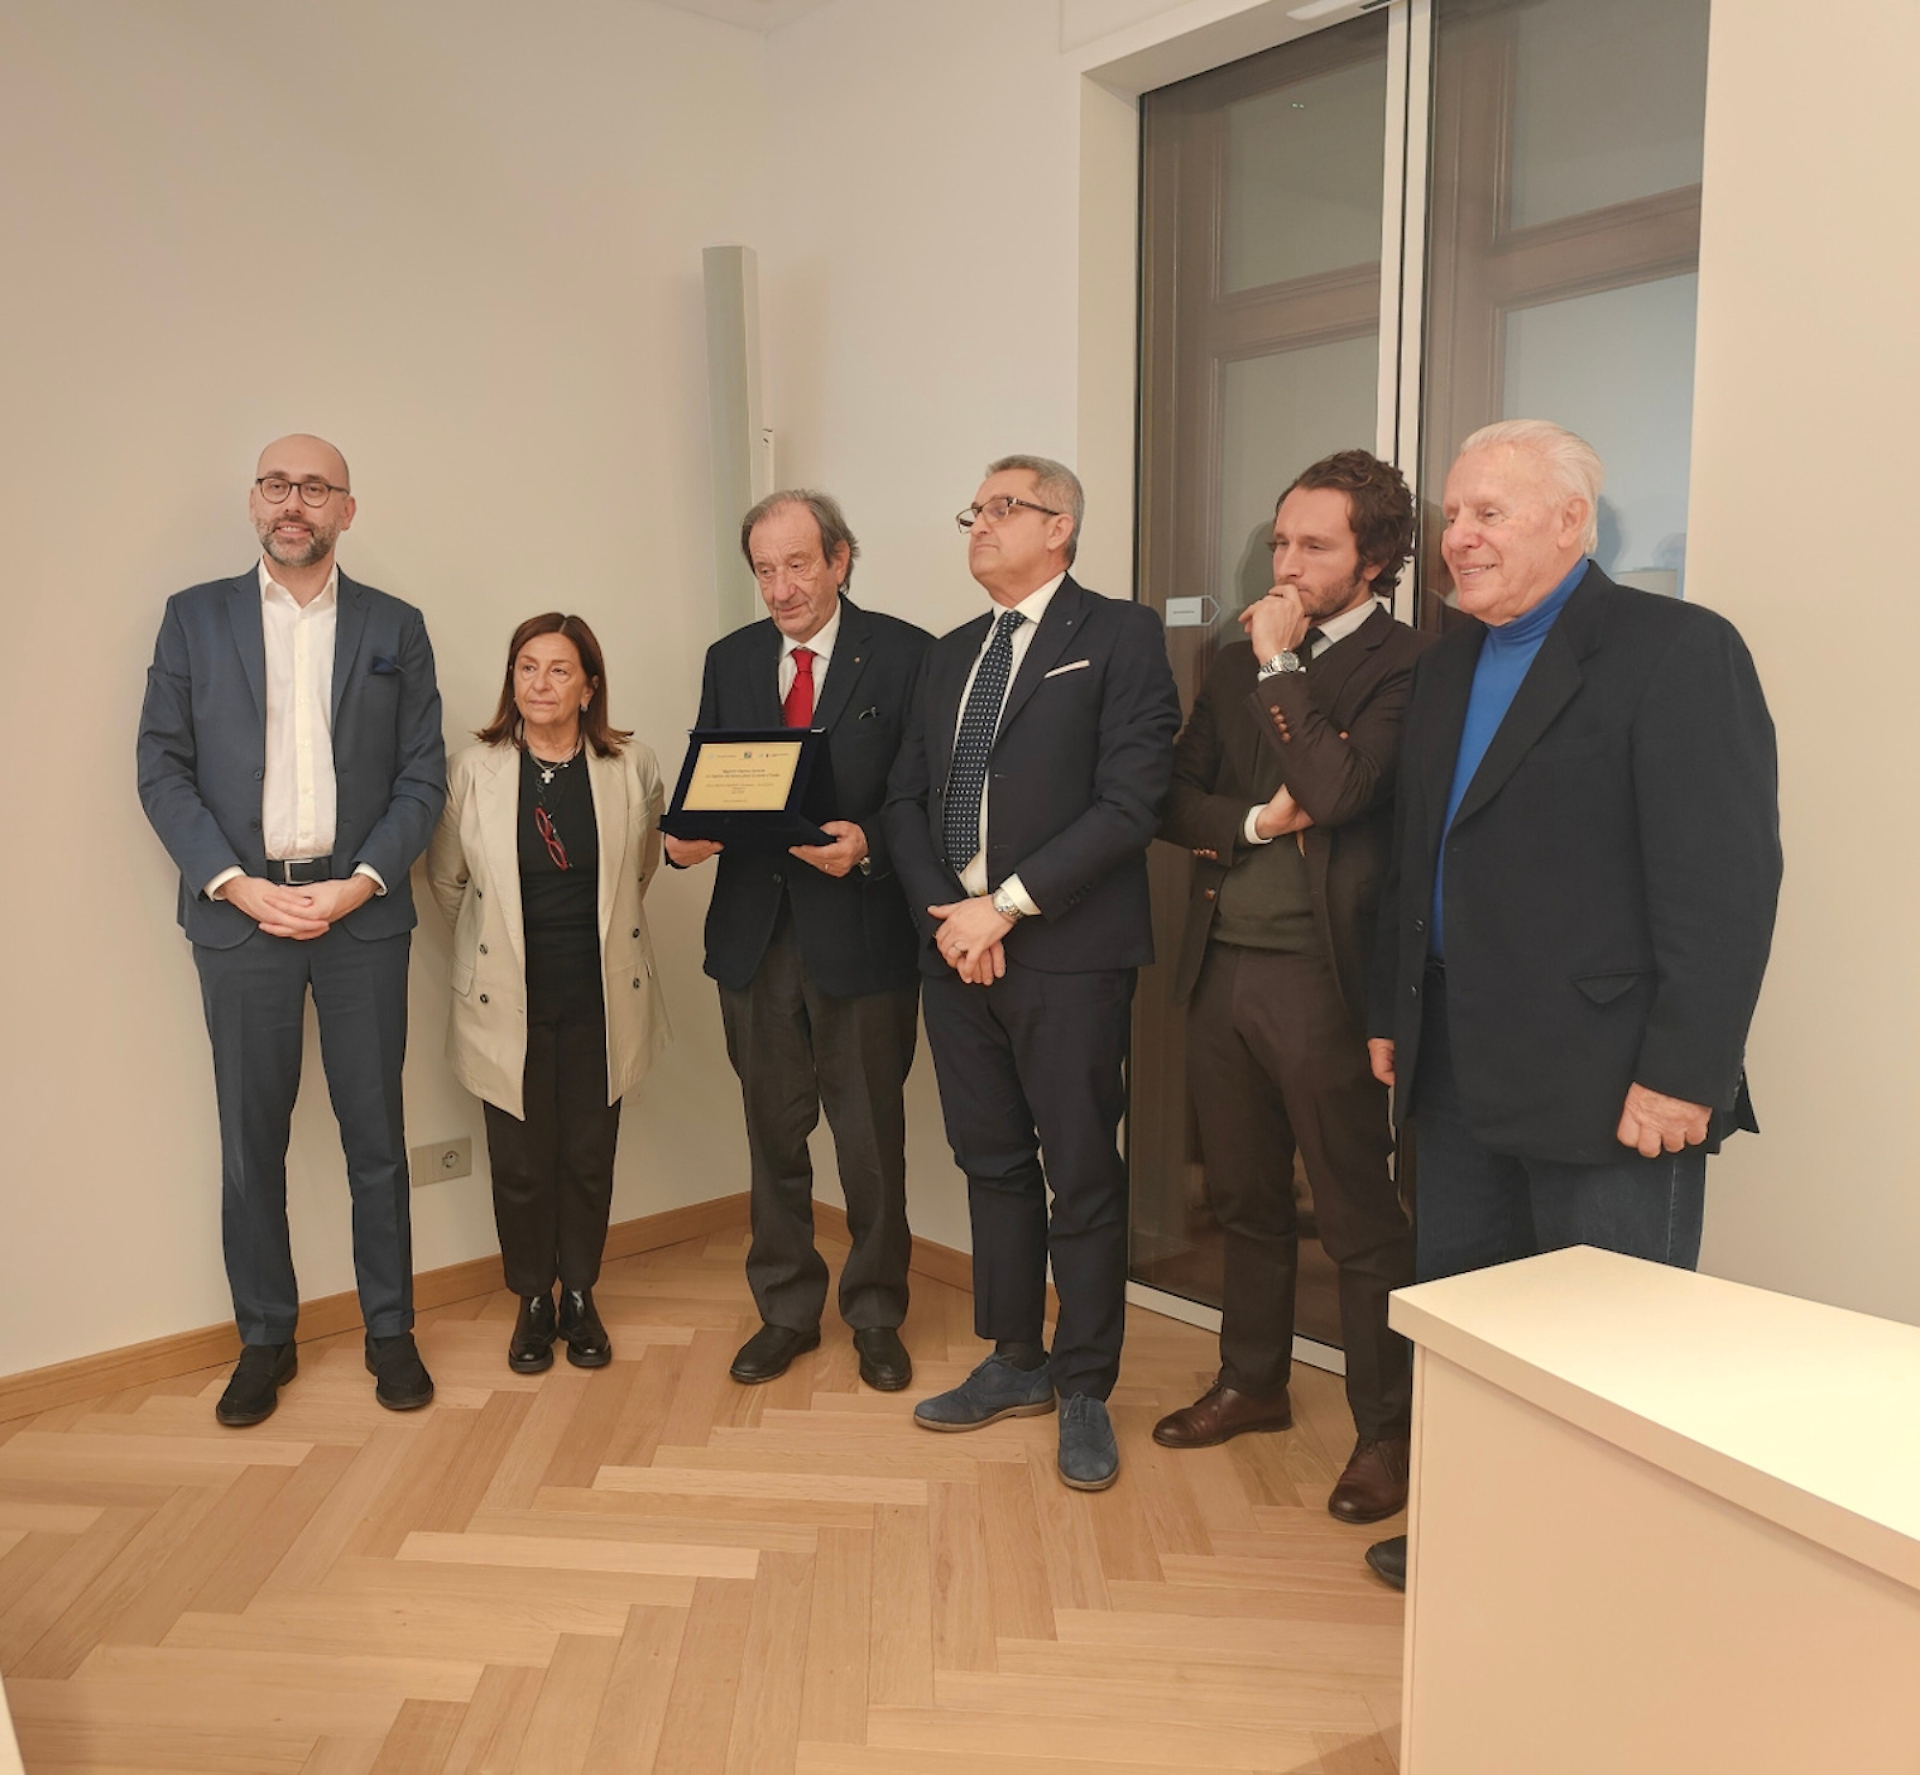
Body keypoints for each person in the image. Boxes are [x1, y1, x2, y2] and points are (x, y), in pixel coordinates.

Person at [1363, 419, 1781, 1587]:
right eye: (1454, 514)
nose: (1460, 535)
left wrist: (1687, 1071)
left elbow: (1726, 883)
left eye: (1488, 512)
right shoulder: (1445, 664)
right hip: (1455, 1061)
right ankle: (1479, 1541)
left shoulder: (1677, 649)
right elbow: (1415, 856)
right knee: (1470, 1323)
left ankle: (1602, 1577)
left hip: (1613, 1077)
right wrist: (1392, 1008)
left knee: (1607, 1340)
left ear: (1569, 521)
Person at [883, 455, 1182, 1491]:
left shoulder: (1120, 634)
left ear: (1061, 527)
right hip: (957, 952)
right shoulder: (951, 652)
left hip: (1067, 954)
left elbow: (1131, 801)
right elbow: (907, 798)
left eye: (1004, 507)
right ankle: (1016, 1358)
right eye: (975, 509)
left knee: (1081, 1171)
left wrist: (1002, 905)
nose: (981, 523)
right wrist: (951, 918)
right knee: (992, 1162)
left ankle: (1085, 1380)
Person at [137, 434, 446, 1425]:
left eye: (315, 487)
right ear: (254, 501)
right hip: (241, 919)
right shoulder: (194, 619)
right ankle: (265, 1337)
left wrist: (360, 883)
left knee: (377, 1140)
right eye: (277, 485)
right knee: (250, 1142)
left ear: (347, 508)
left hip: (362, 915)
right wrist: (234, 884)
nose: (293, 503)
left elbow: (423, 776)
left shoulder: (397, 626)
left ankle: (390, 1329)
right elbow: (160, 768)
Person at [1155, 449, 1430, 1525]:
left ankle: (1385, 1431)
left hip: (1329, 981)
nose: (1287, 563)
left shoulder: (1411, 663)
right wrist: (1257, 821)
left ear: (1375, 558)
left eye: (1315, 545)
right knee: (1245, 1200)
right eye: (1279, 541)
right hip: (1222, 965)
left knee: (1357, 1217)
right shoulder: (1231, 660)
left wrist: (1281, 669)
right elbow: (1174, 798)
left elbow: (1343, 787)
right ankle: (1253, 1382)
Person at [665, 492, 932, 1392]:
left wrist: (871, 844)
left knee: (870, 1142)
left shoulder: (906, 654)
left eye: (798, 565)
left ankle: (877, 1313)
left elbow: (927, 796)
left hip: (861, 935)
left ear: (840, 560)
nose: (781, 588)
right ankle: (785, 1309)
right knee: (772, 1135)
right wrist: (681, 836)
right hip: (754, 937)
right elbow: (714, 782)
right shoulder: (731, 658)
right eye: (764, 570)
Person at [426, 614, 668, 1373]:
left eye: (559, 669)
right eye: (527, 667)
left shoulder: (630, 766)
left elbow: (639, 869)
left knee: (589, 1156)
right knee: (522, 1163)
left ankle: (581, 1295)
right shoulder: (474, 770)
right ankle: (533, 1298)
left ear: (589, 686)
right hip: (507, 1002)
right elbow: (447, 881)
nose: (540, 683)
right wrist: (496, 954)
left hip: (599, 997)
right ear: (512, 679)